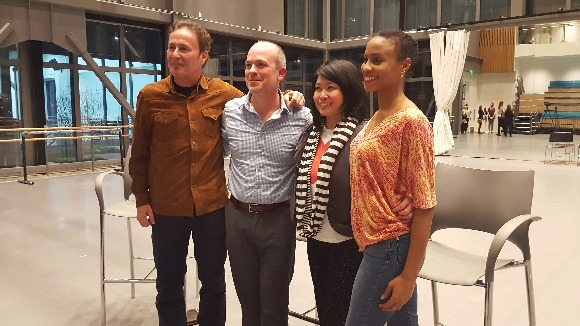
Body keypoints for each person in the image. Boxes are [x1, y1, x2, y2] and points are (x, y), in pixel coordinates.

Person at [129, 21, 302, 326]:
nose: (176, 54)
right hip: (166, 209)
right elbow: (139, 153)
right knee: (168, 284)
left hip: (212, 209)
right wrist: (142, 199)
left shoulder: (223, 95)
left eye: (184, 48)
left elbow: (260, 95)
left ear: (203, 56)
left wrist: (289, 95)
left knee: (214, 282)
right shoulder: (150, 96)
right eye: (172, 47)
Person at [294, 59, 413, 326]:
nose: (322, 95)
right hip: (315, 237)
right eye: (318, 88)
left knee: (347, 312)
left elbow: (398, 176)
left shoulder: (364, 135)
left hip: (350, 241)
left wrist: (408, 197)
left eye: (331, 87)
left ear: (346, 91)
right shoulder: (310, 134)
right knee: (325, 307)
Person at [345, 30, 437, 326]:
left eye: (377, 60)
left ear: (404, 66)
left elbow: (425, 203)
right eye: (365, 60)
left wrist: (409, 277)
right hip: (378, 242)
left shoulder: (411, 122)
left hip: (390, 246)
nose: (366, 68)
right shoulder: (376, 116)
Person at [222, 40, 312, 326]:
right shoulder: (229, 112)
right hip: (237, 218)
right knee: (248, 303)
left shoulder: (301, 117)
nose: (252, 71)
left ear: (281, 73)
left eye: (261, 65)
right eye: (248, 65)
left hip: (278, 221)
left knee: (274, 306)